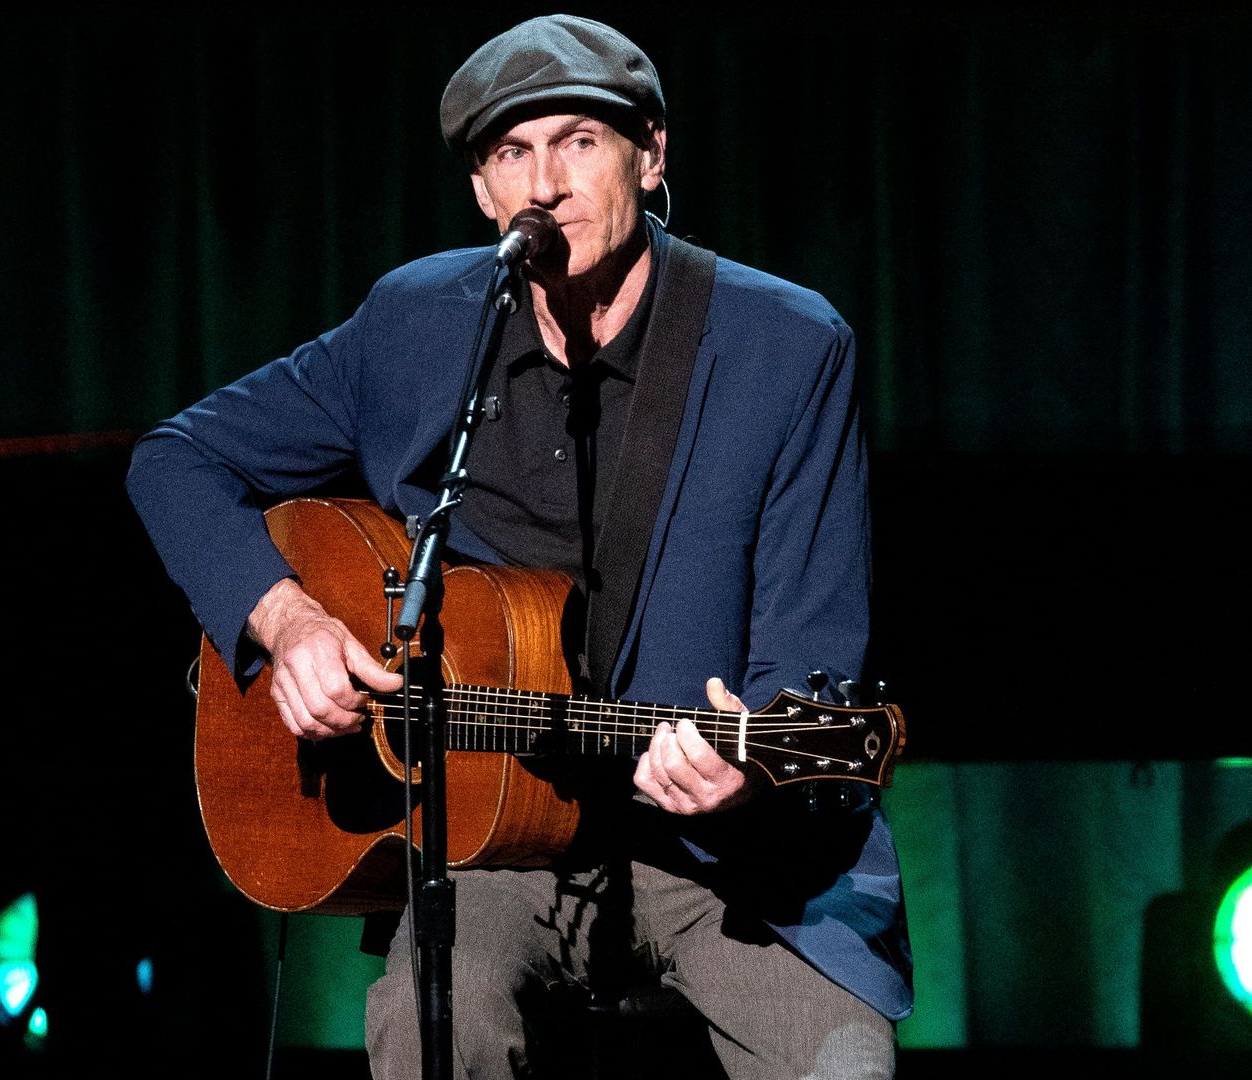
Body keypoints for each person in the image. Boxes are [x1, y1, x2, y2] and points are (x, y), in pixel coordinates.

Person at [126, 13, 910, 1079]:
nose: (545, 183)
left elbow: (812, 652)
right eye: (510, 153)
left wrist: (746, 773)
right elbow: (174, 460)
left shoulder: (787, 347)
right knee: (426, 1029)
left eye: (579, 141)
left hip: (731, 864)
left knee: (841, 1066)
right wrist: (287, 619)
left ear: (651, 153)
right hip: (496, 847)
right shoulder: (418, 325)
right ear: (483, 193)